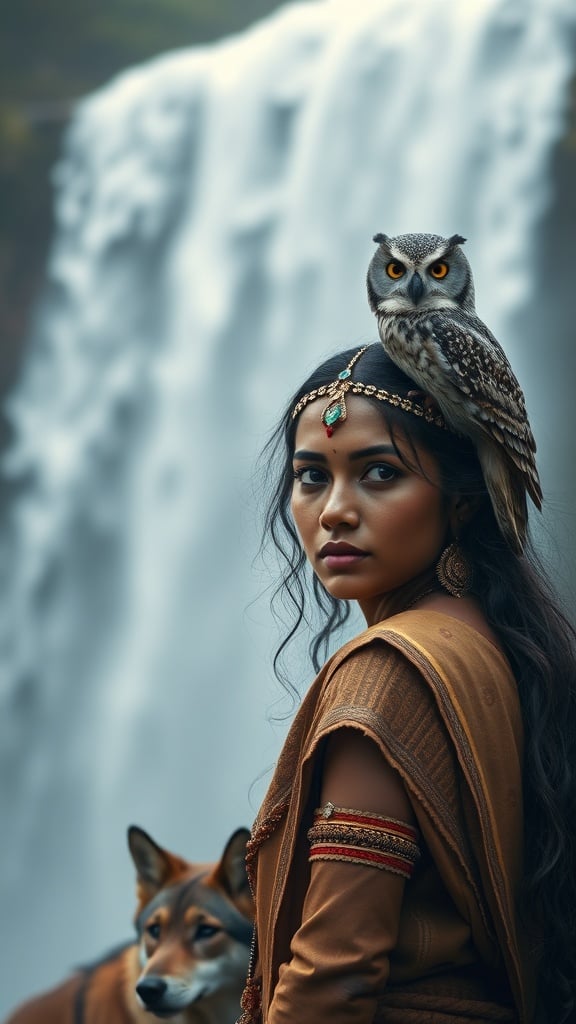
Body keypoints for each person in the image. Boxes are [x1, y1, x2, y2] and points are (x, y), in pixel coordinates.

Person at [239, 342, 576, 1024]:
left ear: (461, 502)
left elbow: (331, 983)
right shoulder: (508, 648)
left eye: (380, 473)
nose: (335, 510)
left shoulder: (388, 673)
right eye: (311, 477)